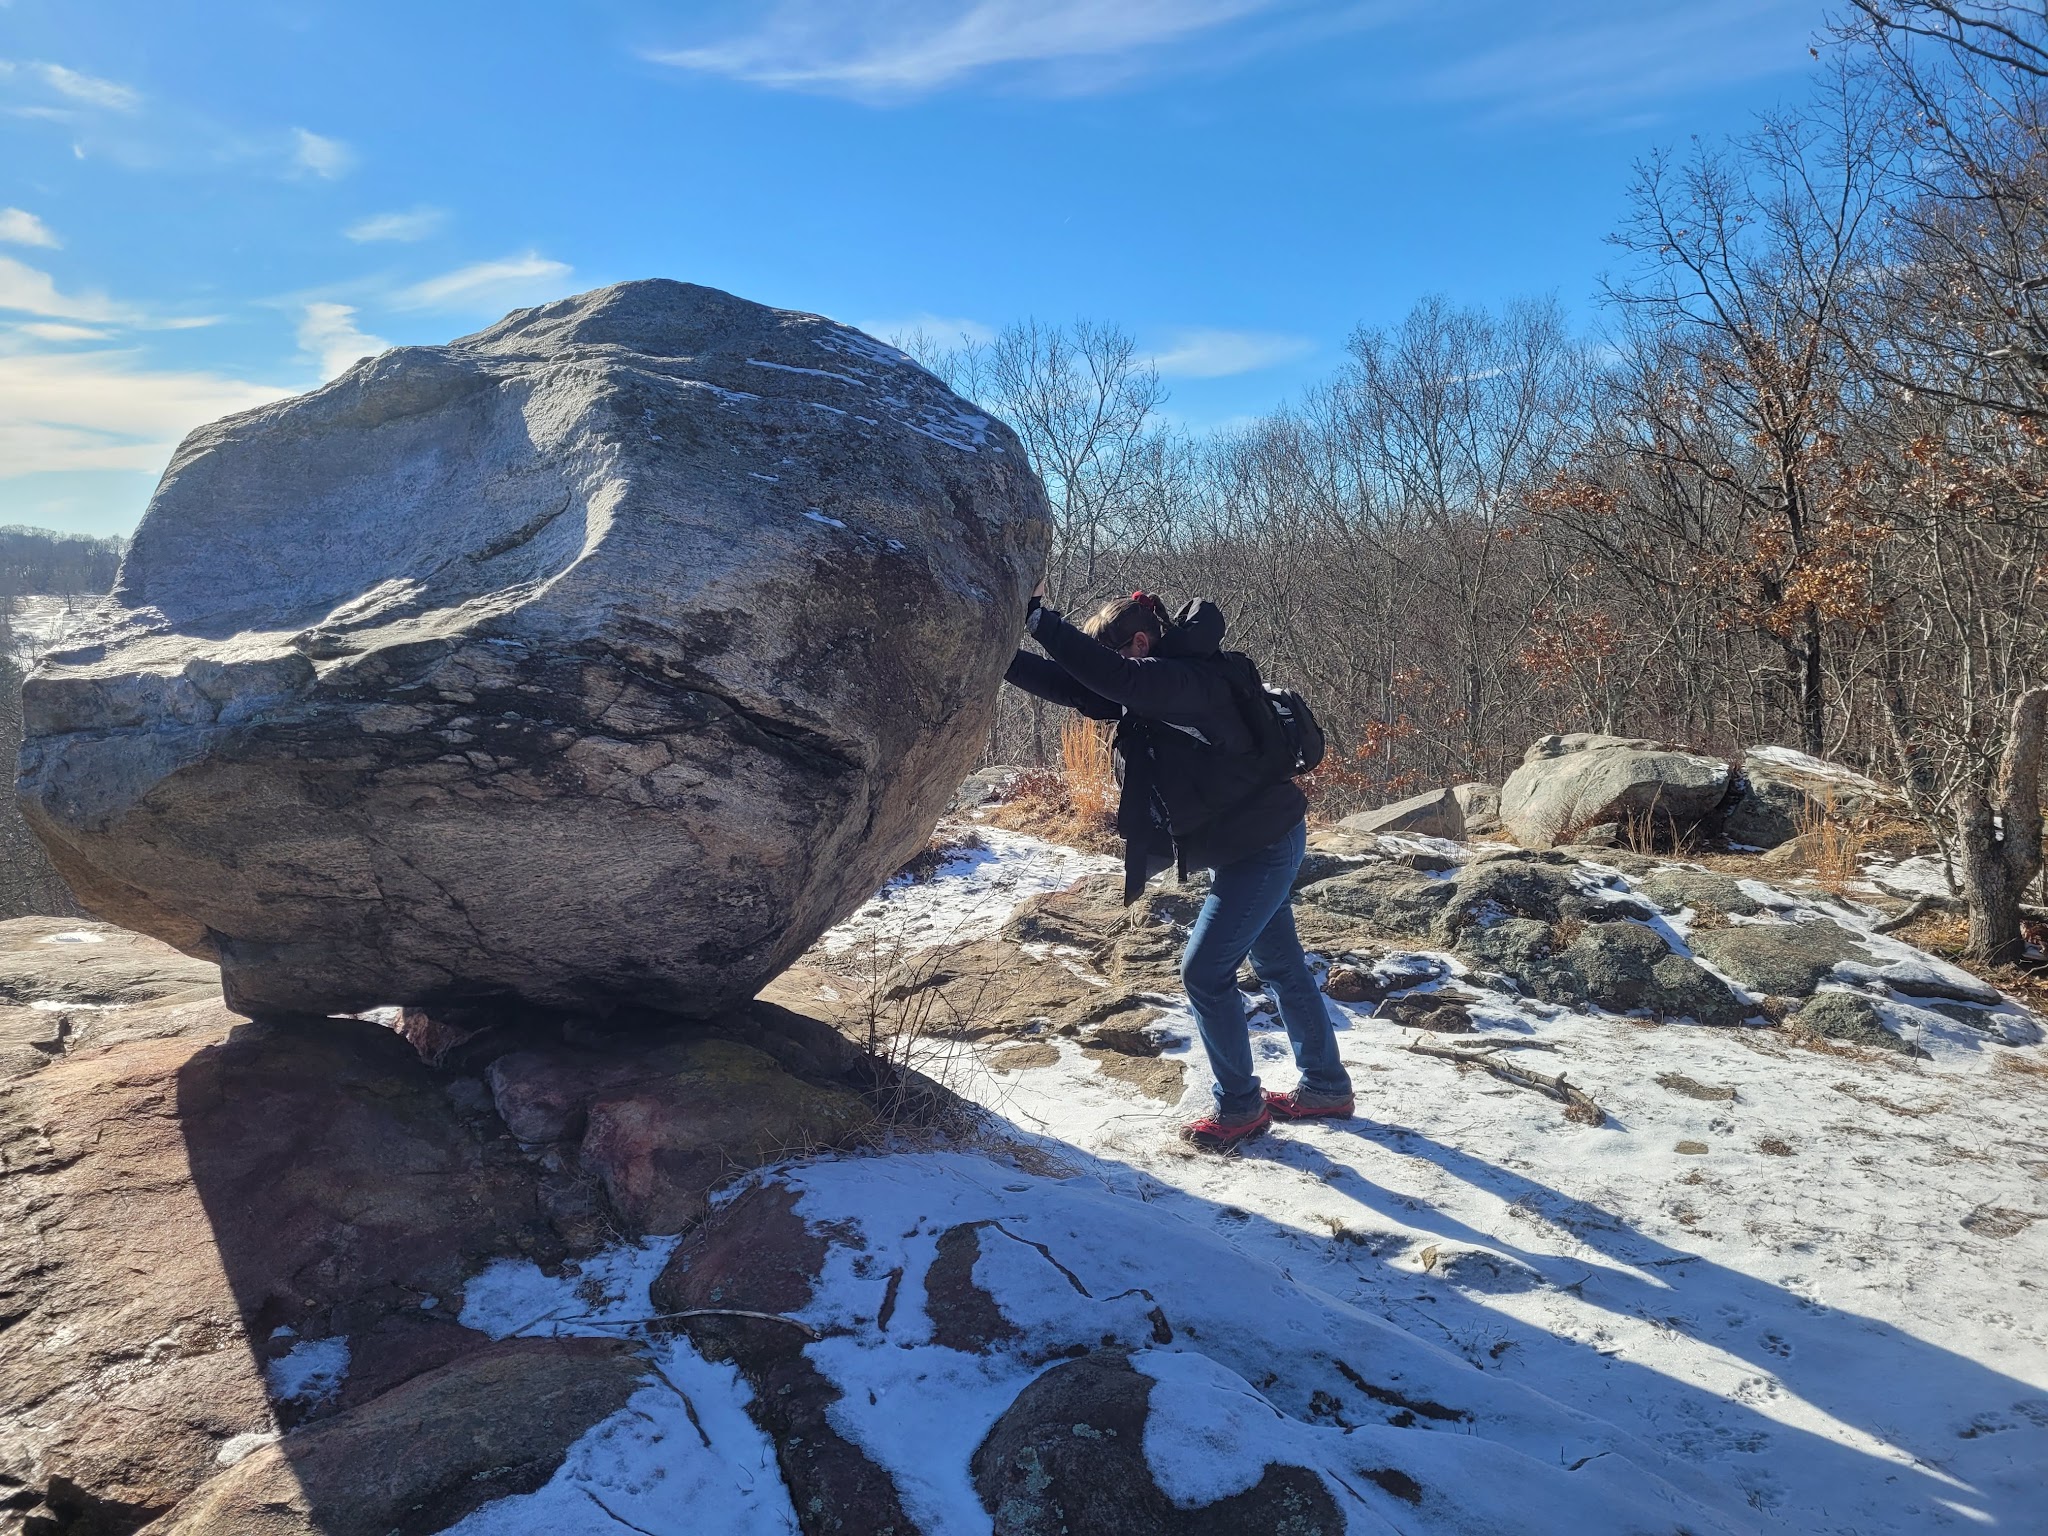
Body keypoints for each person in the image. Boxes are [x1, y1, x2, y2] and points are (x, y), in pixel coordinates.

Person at [1004, 581, 1354, 1152]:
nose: (1112, 670)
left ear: (1141, 641)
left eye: (1118, 656)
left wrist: (1038, 618)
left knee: (1205, 973)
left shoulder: (1187, 682)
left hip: (1261, 849)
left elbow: (1114, 679)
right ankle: (1326, 1088)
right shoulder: (1159, 678)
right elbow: (1078, 686)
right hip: (1256, 841)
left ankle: (1240, 1107)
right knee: (1282, 967)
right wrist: (1001, 656)